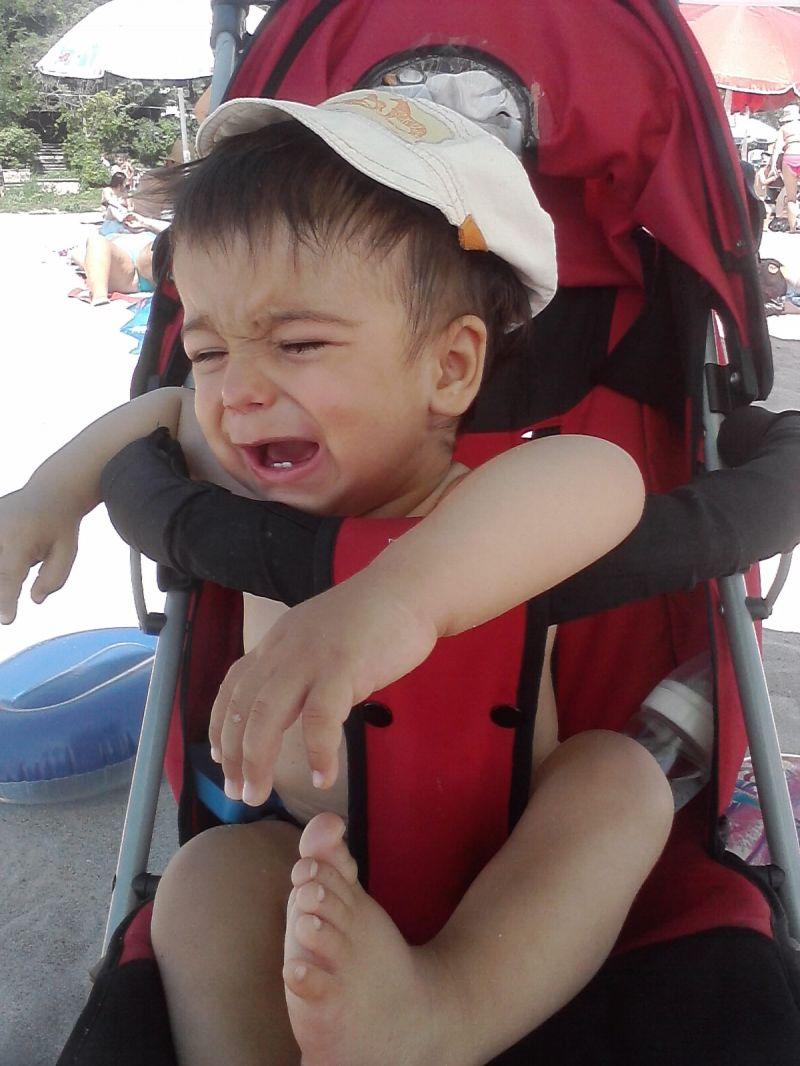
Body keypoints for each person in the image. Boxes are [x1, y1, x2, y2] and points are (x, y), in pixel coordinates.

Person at [0, 92, 673, 1065]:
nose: (238, 390)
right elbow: (158, 417)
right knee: (206, 878)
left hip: (514, 848)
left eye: (298, 344)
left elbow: (603, 478)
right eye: (209, 349)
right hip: (309, 850)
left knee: (619, 780)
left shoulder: (499, 499)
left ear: (450, 367)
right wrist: (43, 497)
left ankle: (443, 1012)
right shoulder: (247, 473)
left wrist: (394, 599)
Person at [70, 214, 168, 306]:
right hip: (137, 257)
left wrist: (145, 223)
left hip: (137, 269)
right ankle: (99, 293)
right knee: (93, 245)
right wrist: (144, 223)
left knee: (95, 242)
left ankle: (99, 295)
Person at [767, 104, 800, 232]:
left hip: (789, 157)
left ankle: (792, 228)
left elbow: (777, 148)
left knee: (791, 198)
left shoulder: (784, 128)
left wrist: (773, 166)